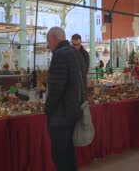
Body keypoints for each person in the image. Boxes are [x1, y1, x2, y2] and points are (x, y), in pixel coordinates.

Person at [45, 27, 86, 171]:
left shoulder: (59, 55)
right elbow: (83, 82)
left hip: (61, 115)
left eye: (48, 41)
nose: (48, 46)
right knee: (69, 154)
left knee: (60, 156)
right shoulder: (77, 53)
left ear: (55, 39)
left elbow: (56, 89)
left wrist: (47, 109)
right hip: (73, 110)